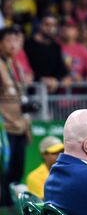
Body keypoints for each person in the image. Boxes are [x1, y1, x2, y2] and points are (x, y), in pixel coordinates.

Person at [0, 26, 32, 206]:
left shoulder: (17, 65)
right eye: (9, 40)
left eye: (17, 40)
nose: (13, 44)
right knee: (4, 169)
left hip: (20, 126)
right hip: (4, 128)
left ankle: (11, 204)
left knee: (17, 170)